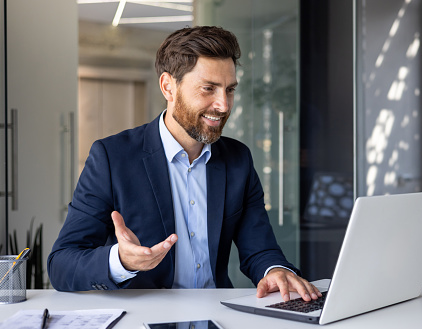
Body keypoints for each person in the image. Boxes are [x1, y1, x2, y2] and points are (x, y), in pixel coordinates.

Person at [48, 26, 320, 302]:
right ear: (168, 86)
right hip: (143, 320)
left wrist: (275, 270)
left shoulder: (238, 159)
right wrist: (120, 261)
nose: (224, 105)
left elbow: (260, 248)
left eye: (229, 90)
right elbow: (61, 264)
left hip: (217, 316)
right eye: (208, 89)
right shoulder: (112, 157)